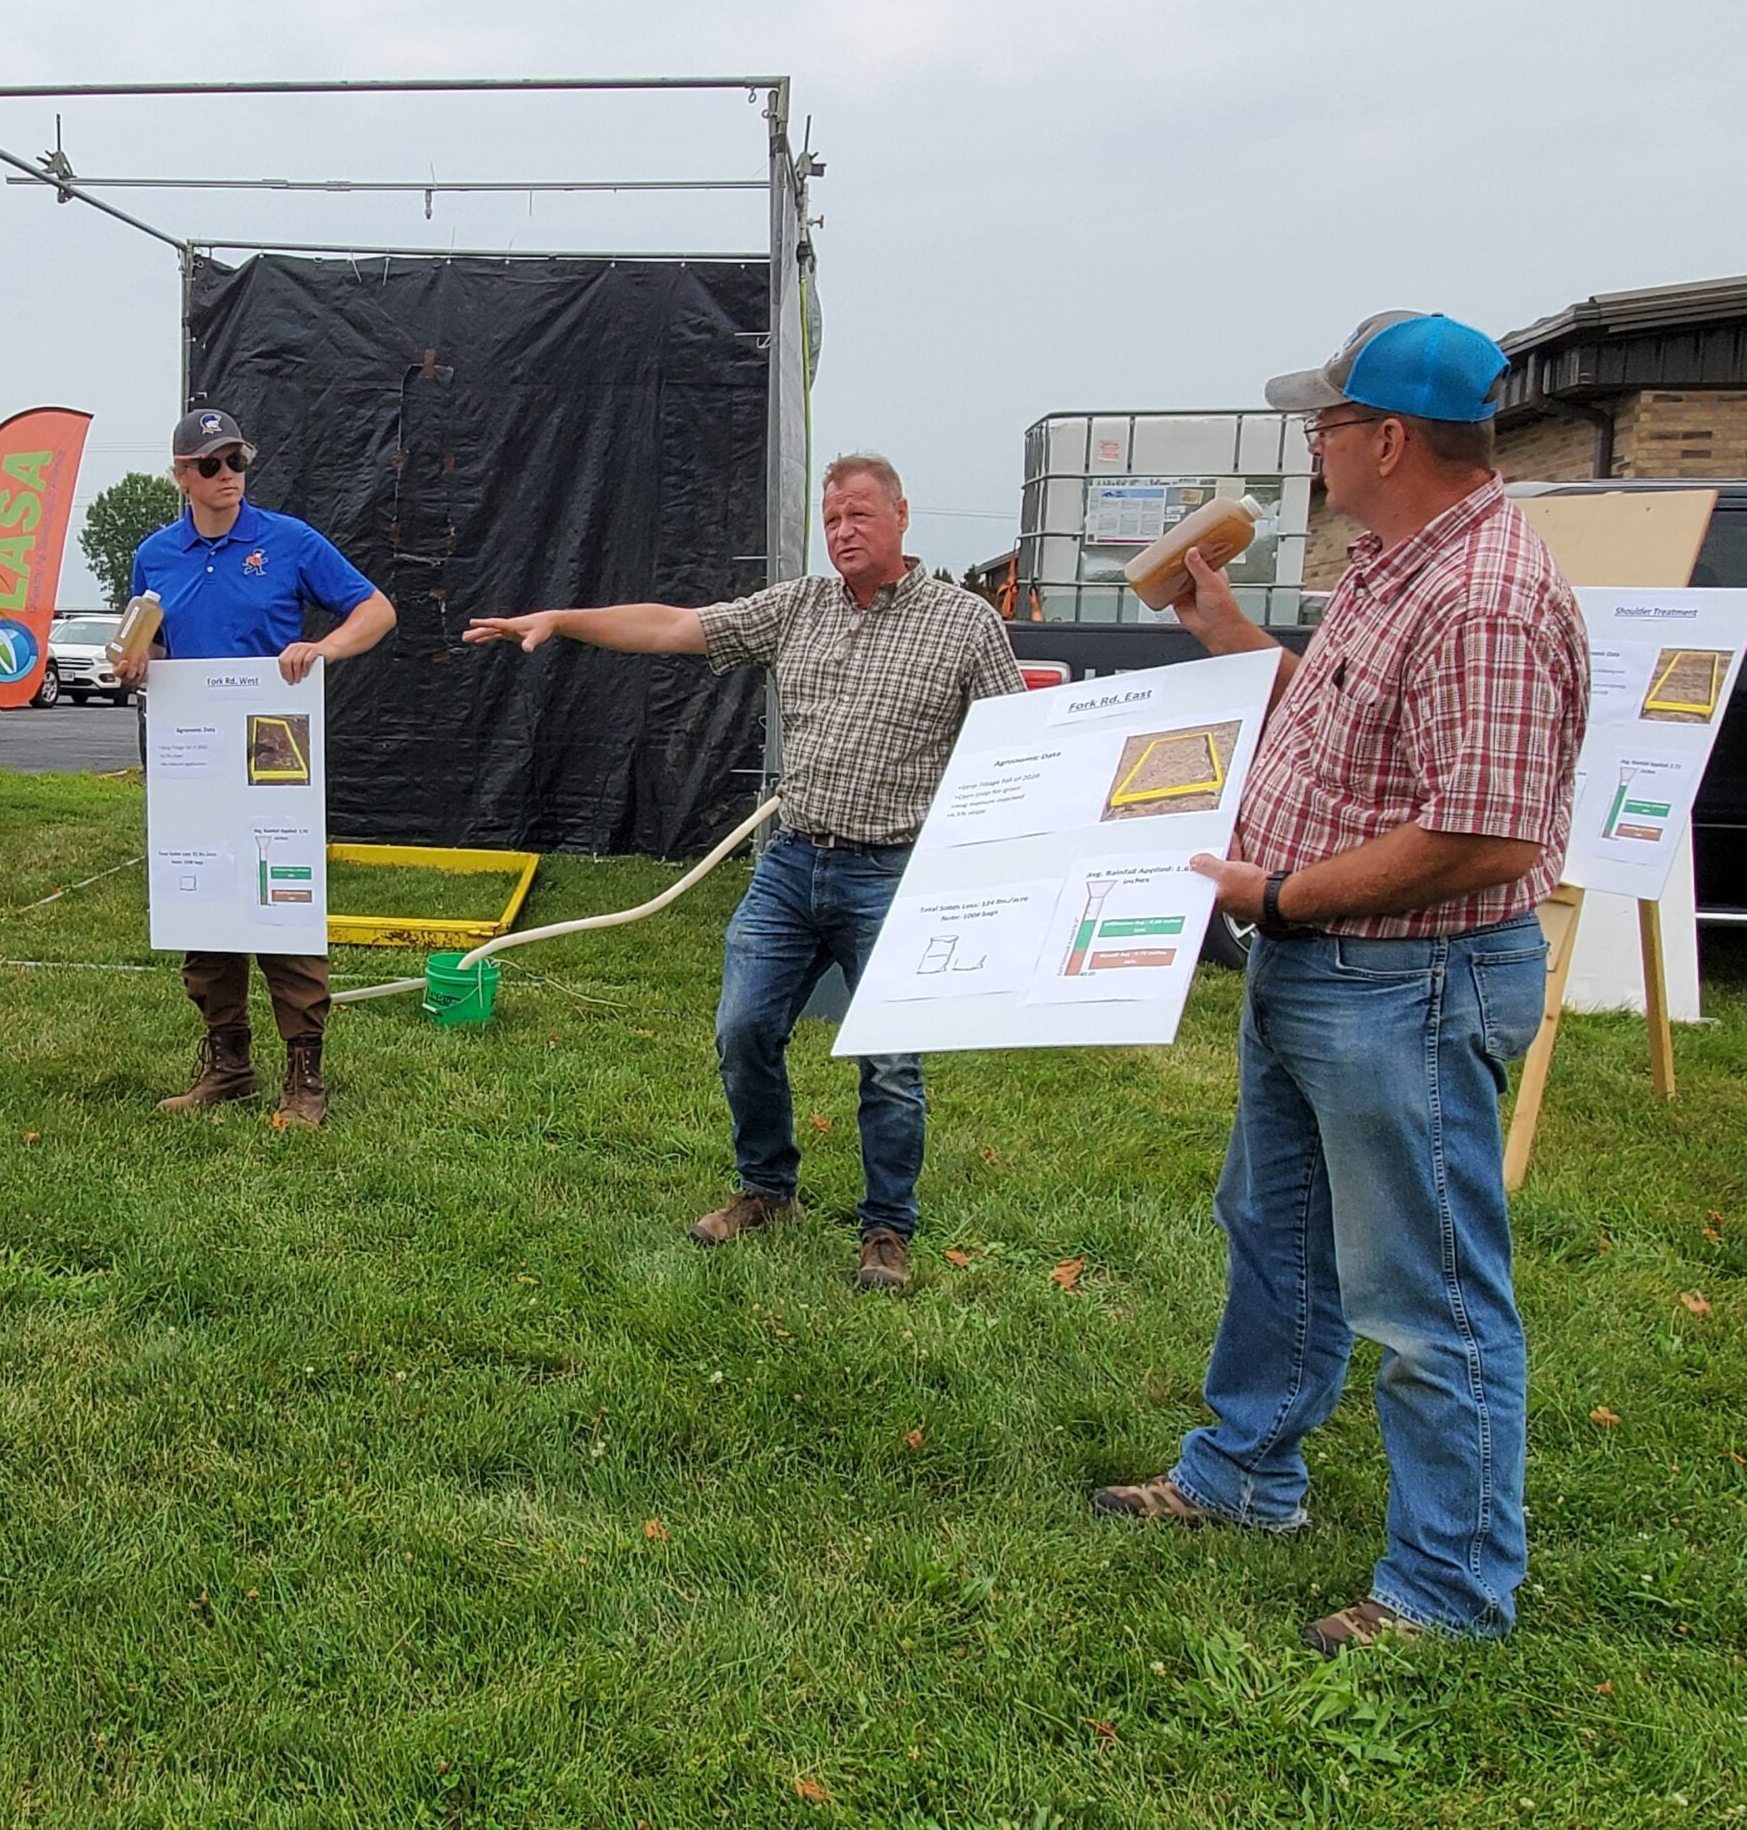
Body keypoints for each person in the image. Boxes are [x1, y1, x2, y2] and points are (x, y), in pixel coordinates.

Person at [1091, 313, 1589, 1657]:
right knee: (1280, 1238)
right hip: (1324, 973)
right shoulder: (1394, 565)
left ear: (1388, 437)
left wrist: (1281, 896)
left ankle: (1450, 1587)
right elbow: (1338, 710)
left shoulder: (1484, 593)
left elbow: (1482, 829)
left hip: (1406, 986)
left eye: (1325, 420)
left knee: (1424, 1298)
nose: (1309, 441)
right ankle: (1244, 1476)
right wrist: (1227, 631)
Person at [464, 454, 1023, 1291]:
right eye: (832, 520)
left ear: (903, 516)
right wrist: (562, 618)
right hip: (793, 862)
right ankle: (768, 1190)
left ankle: (887, 1231)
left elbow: (1020, 736)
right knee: (742, 1030)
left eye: (860, 515)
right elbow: (672, 627)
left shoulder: (966, 623)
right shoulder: (798, 607)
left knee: (893, 1063)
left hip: (893, 871)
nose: (843, 532)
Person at [114, 408, 397, 1127]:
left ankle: (305, 1075)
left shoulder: (288, 540)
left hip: (274, 741)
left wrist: (325, 649)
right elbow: (147, 648)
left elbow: (377, 610)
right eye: (210, 465)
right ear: (181, 475)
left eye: (236, 461)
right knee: (199, 886)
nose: (228, 477)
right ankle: (227, 1064)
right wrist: (137, 665)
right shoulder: (156, 556)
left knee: (283, 898)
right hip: (194, 747)